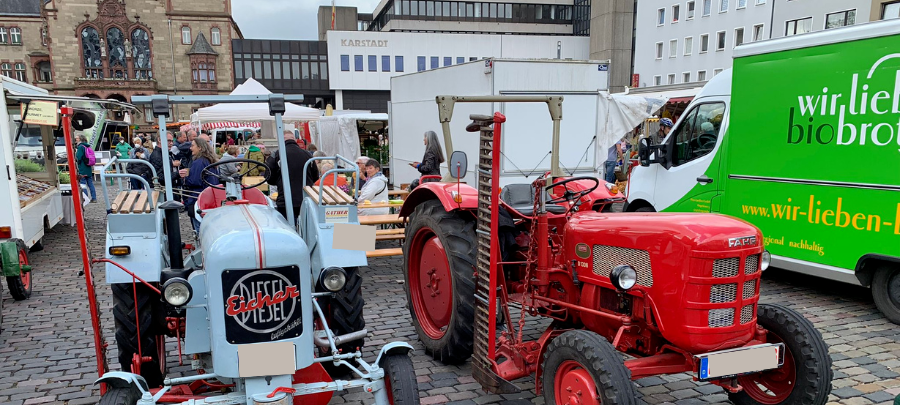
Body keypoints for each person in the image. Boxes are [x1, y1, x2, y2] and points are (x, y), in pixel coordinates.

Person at [266, 131, 319, 222]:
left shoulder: (277, 155)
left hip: (285, 199)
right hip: (306, 199)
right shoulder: (308, 155)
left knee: (287, 229)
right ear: (294, 140)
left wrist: (279, 181)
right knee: (306, 229)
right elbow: (315, 176)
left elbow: (269, 178)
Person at [180, 139, 220, 233]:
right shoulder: (210, 160)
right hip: (210, 198)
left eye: (193, 146)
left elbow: (194, 181)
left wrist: (185, 178)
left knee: (200, 229)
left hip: (198, 199)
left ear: (200, 148)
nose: (190, 148)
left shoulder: (199, 162)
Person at [74, 134, 97, 202]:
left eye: (77, 138)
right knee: (90, 183)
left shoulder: (80, 147)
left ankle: (85, 198)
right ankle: (94, 198)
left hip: (82, 168)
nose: (76, 139)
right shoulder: (87, 146)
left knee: (83, 184)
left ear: (80, 139)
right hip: (88, 167)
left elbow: (78, 157)